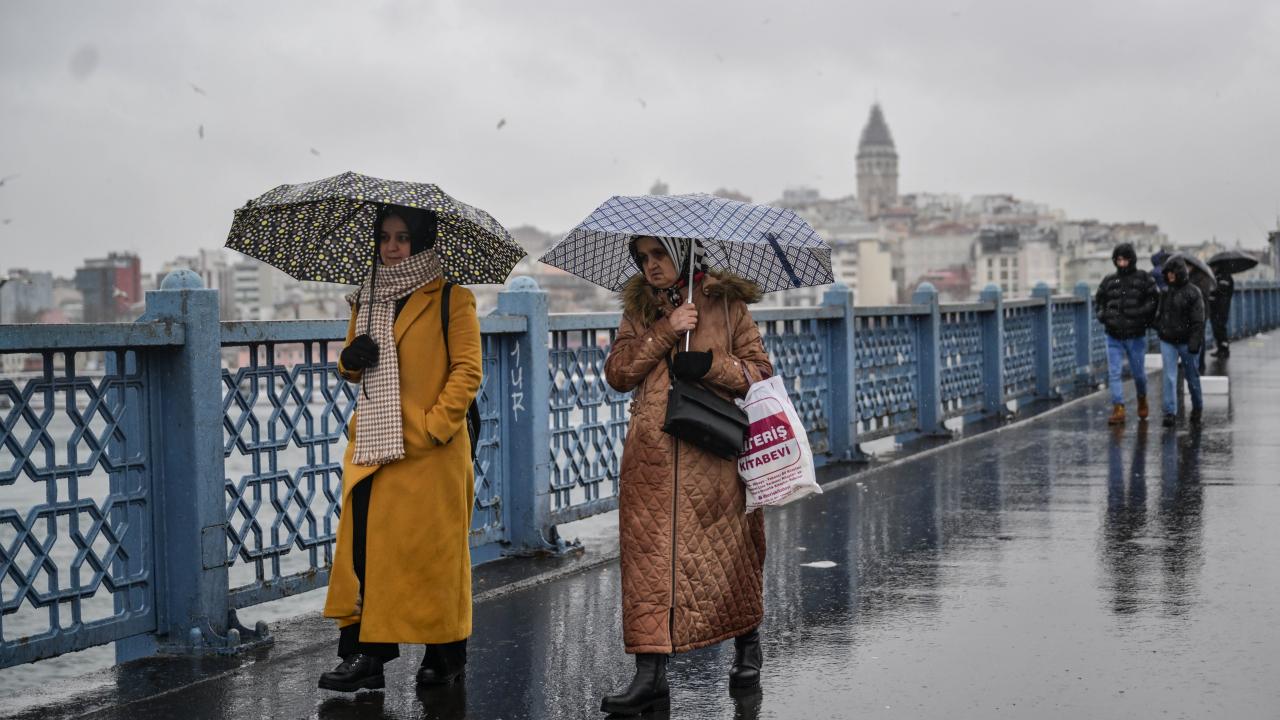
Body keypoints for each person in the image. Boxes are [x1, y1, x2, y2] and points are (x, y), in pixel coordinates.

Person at [600, 236, 772, 715]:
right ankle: (649, 675)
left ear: (683, 253)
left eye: (659, 256)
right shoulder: (641, 308)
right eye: (643, 259)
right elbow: (617, 373)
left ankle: (747, 647)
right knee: (648, 565)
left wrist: (712, 366)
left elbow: (761, 372)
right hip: (652, 456)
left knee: (731, 557)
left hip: (712, 452)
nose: (651, 266)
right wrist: (666, 330)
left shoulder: (725, 303)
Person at [318, 206, 483, 692]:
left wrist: (435, 426)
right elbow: (354, 365)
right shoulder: (367, 297)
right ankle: (365, 656)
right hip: (373, 444)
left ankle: (445, 655)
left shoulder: (453, 298)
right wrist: (349, 360)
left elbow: (468, 371)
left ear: (423, 241)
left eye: (403, 238)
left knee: (432, 555)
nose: (392, 247)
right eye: (385, 237)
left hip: (431, 452)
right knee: (364, 552)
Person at [1094, 243, 1160, 425]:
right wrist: (1103, 316)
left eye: (1124, 259)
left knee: (1138, 374)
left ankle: (1142, 398)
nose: (1122, 263)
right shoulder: (1109, 281)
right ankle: (1118, 408)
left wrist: (1141, 316)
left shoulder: (1143, 279)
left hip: (1136, 334)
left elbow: (1153, 301)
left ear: (1131, 260)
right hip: (1113, 334)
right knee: (1114, 373)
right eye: (1118, 260)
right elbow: (1099, 300)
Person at [1154, 258, 1205, 428]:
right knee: (1169, 376)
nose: (1170, 276)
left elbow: (1198, 321)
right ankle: (1170, 412)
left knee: (1192, 377)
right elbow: (1160, 313)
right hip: (1168, 340)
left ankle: (1197, 406)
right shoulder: (1166, 292)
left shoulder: (1193, 292)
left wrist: (1194, 342)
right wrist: (1159, 327)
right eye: (1168, 273)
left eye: (1172, 272)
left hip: (1187, 342)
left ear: (1180, 272)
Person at [1210, 267, 1235, 357]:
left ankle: (1224, 349)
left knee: (1220, 328)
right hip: (1216, 307)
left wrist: (1211, 291)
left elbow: (1221, 289)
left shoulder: (1224, 276)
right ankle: (1221, 348)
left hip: (1222, 307)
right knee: (1217, 328)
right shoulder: (1219, 276)